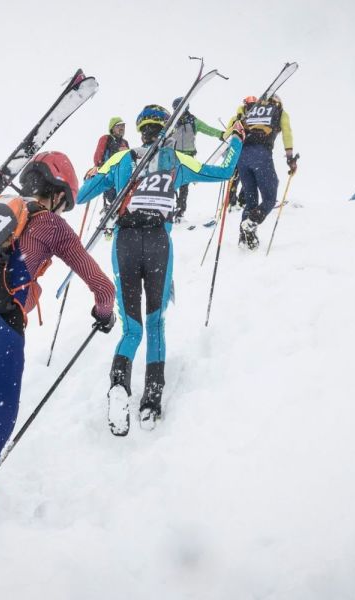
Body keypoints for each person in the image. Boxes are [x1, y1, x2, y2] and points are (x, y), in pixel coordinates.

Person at [0, 151, 116, 559]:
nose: (63, 209)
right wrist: (105, 312)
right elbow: (101, 285)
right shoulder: (50, 224)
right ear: (56, 192)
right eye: (65, 201)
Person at [77, 104, 244, 434]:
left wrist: (94, 175)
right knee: (155, 324)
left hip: (124, 242)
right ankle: (151, 402)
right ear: (165, 129)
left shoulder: (123, 158)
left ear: (140, 130)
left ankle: (119, 385)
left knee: (132, 329)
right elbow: (223, 172)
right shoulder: (176, 160)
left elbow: (83, 196)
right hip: (157, 242)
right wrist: (236, 140)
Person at [222, 94, 297, 250]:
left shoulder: (246, 110)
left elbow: (227, 133)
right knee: (270, 198)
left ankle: (245, 240)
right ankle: (251, 223)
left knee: (251, 201)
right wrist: (290, 158)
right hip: (261, 155)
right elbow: (287, 133)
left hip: (242, 157)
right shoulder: (280, 111)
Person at [170, 97, 224, 222]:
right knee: (170, 184)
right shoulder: (171, 122)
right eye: (176, 109)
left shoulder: (193, 121)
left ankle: (180, 212)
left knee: (184, 185)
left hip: (187, 158)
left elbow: (208, 129)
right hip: (174, 156)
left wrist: (221, 134)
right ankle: (169, 210)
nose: (177, 111)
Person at [91, 117, 130, 212]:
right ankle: (111, 211)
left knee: (125, 197)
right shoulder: (106, 138)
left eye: (123, 126)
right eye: (119, 126)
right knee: (113, 197)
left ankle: (118, 212)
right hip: (109, 174)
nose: (122, 128)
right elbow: (98, 155)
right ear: (112, 128)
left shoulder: (125, 142)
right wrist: (99, 167)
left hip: (123, 175)